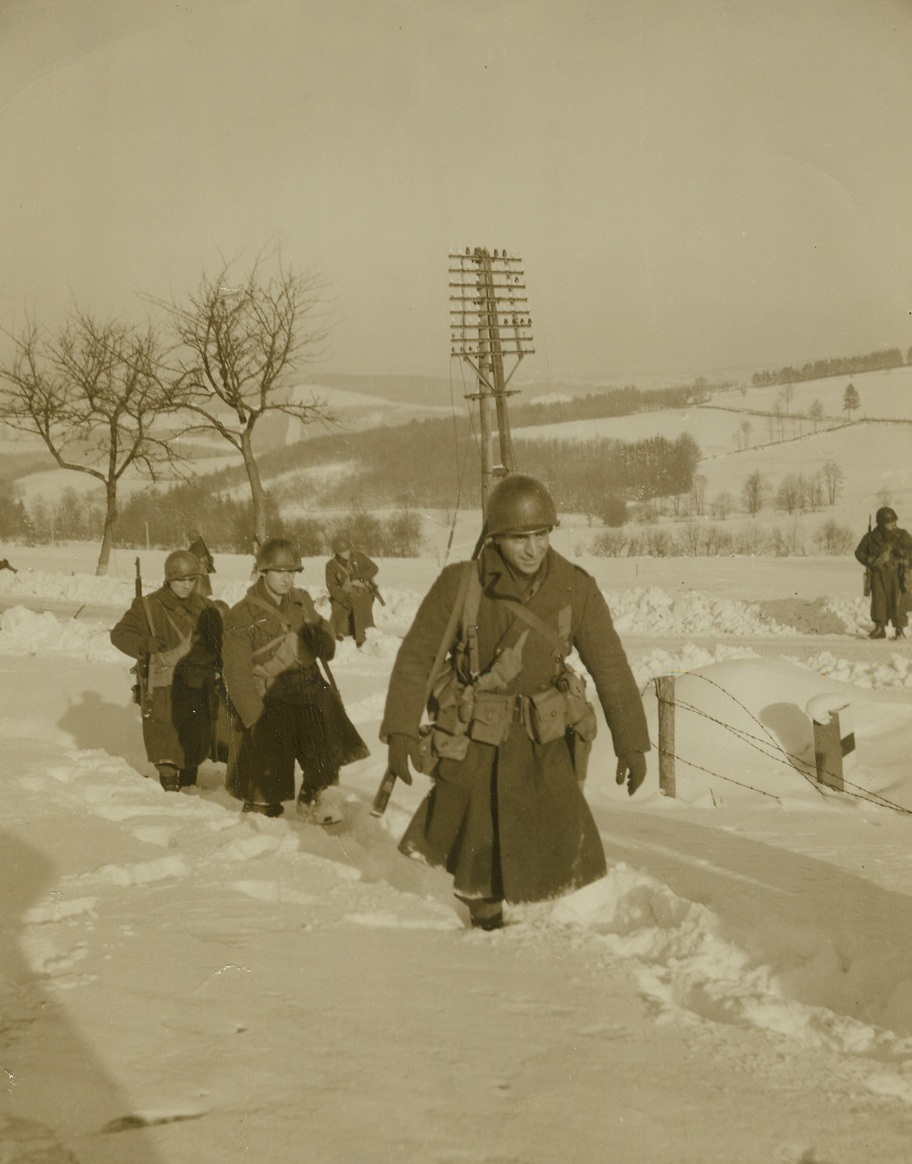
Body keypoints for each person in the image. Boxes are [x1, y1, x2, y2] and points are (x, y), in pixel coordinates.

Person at [380, 474, 650, 931]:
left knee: (554, 840)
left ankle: (529, 918)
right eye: (519, 538)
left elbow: (611, 667)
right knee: (476, 843)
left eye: (541, 534)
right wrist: (401, 728)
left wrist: (631, 742)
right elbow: (418, 656)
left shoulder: (574, 587)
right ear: (495, 537)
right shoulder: (461, 584)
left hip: (542, 739)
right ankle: (485, 920)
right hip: (479, 739)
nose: (533, 549)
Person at [221, 537, 369, 821]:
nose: (287, 579)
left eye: (292, 572)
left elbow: (326, 647)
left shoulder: (301, 601)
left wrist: (321, 636)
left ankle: (312, 799)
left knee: (324, 746)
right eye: (280, 572)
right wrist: (254, 718)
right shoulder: (242, 614)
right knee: (266, 786)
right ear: (263, 571)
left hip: (307, 689)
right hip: (270, 699)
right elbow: (237, 674)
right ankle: (263, 811)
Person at [111, 549, 221, 791]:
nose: (186, 586)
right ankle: (169, 790)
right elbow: (119, 634)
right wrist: (143, 644)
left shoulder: (206, 606)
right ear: (169, 579)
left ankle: (190, 784)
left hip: (196, 684)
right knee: (165, 737)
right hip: (163, 686)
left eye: (191, 580)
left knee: (194, 736)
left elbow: (223, 642)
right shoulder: (148, 607)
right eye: (180, 580)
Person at [854, 506, 912, 639]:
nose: (893, 524)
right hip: (878, 574)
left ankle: (899, 630)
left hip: (896, 573)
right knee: (879, 601)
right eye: (889, 522)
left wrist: (905, 555)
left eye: (894, 521)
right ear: (881, 523)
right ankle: (880, 628)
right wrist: (870, 559)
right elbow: (859, 553)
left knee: (898, 601)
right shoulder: (870, 537)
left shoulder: (902, 535)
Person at [325, 537, 380, 647]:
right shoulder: (331, 565)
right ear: (337, 552)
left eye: (347, 550)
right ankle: (337, 633)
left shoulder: (359, 557)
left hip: (364, 591)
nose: (346, 553)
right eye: (342, 552)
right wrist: (343, 598)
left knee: (358, 602)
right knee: (337, 605)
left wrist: (360, 575)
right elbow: (332, 586)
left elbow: (374, 568)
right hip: (345, 593)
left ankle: (361, 636)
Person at [187, 530, 215, 597]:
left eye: (190, 537)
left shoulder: (197, 546)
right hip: (200, 571)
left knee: (198, 592)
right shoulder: (198, 544)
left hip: (199, 571)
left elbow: (197, 558)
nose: (189, 539)